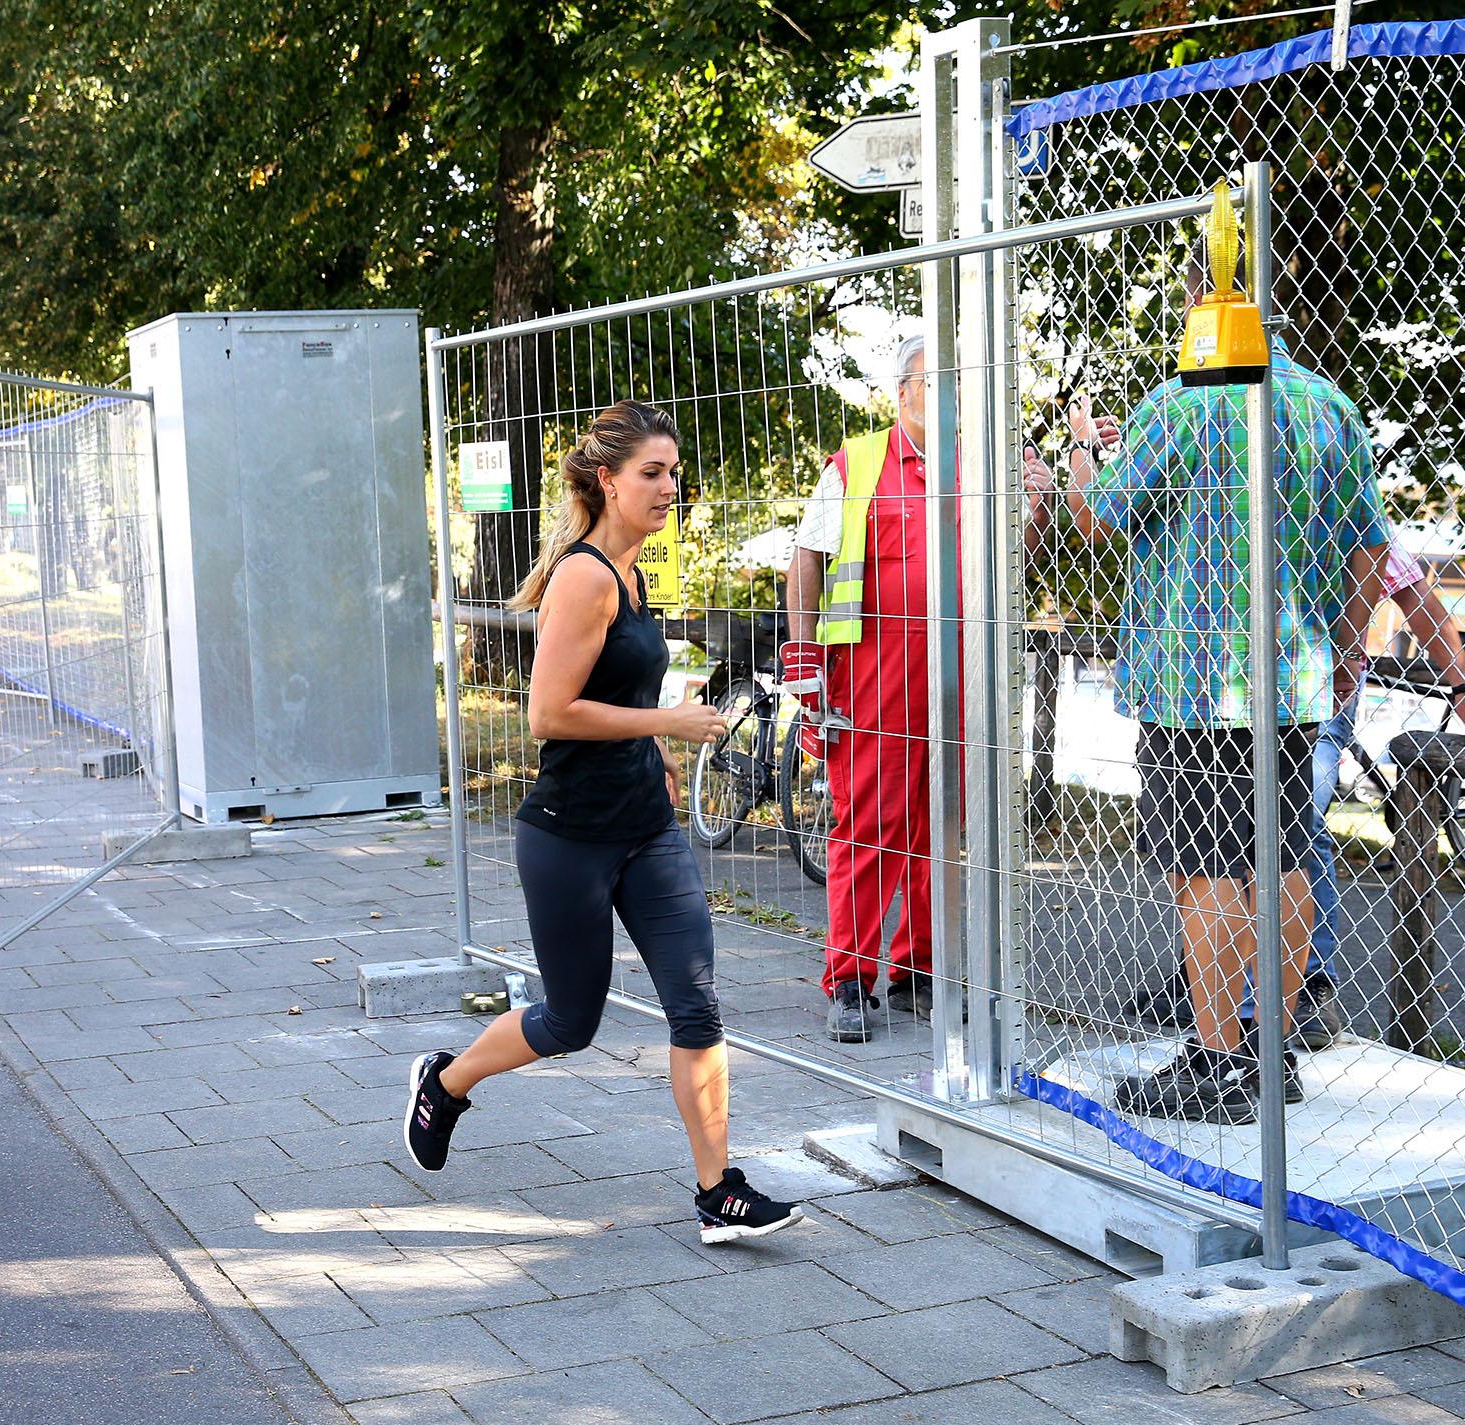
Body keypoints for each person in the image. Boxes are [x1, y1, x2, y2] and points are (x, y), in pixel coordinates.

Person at [402, 401, 803, 1244]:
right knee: (569, 1022)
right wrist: (669, 727)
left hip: (646, 830)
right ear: (606, 480)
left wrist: (651, 740)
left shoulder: (633, 573)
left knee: (696, 1006)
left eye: (674, 472)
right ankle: (446, 1082)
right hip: (569, 838)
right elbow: (548, 714)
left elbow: (608, 692)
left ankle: (718, 1192)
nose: (670, 487)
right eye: (652, 473)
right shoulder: (583, 575)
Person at [1064, 334, 1390, 1124]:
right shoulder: (1330, 406)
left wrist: (1081, 450)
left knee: (1205, 868)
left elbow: (1097, 521)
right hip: (1294, 674)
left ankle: (1215, 1061)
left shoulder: (1181, 403)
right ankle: (1266, 1054)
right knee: (1281, 858)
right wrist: (1346, 653)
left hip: (1193, 681)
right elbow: (1370, 548)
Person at [783, 331, 1056, 1043]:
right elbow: (807, 556)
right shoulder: (859, 461)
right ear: (902, 392)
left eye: (961, 384)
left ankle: (918, 968)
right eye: (939, 383)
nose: (954, 396)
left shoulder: (980, 465)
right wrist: (805, 659)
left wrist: (1038, 506)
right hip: (874, 674)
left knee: (947, 831)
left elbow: (1013, 558)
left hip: (961, 675)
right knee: (870, 827)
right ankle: (848, 977)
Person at [1126, 534, 1465, 1046]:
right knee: (1223, 836)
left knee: (1293, 832)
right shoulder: (1298, 477)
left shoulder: (1333, 501)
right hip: (1224, 677)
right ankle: (1218, 985)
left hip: (1306, 683)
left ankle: (1304, 987)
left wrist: (1457, 684)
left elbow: (1417, 600)